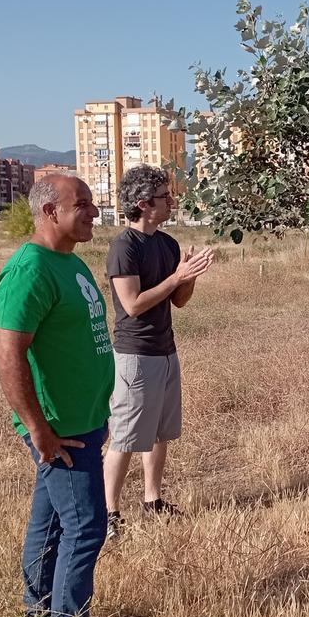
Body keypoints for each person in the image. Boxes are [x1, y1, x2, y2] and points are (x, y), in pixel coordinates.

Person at [0, 174, 124, 617]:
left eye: (91, 203)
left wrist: (99, 411)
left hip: (84, 421)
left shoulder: (70, 263)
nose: (93, 212)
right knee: (87, 528)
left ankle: (40, 614)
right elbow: (8, 354)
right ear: (49, 211)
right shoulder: (30, 270)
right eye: (83, 204)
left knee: (48, 526)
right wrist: (39, 430)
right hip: (60, 428)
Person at [103, 165, 214, 538]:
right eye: (165, 197)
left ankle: (153, 501)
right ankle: (109, 512)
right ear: (143, 204)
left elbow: (178, 301)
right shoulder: (124, 247)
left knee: (159, 433)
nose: (172, 201)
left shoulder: (167, 245)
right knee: (125, 436)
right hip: (135, 357)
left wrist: (190, 277)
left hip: (166, 352)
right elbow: (132, 304)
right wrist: (175, 278)